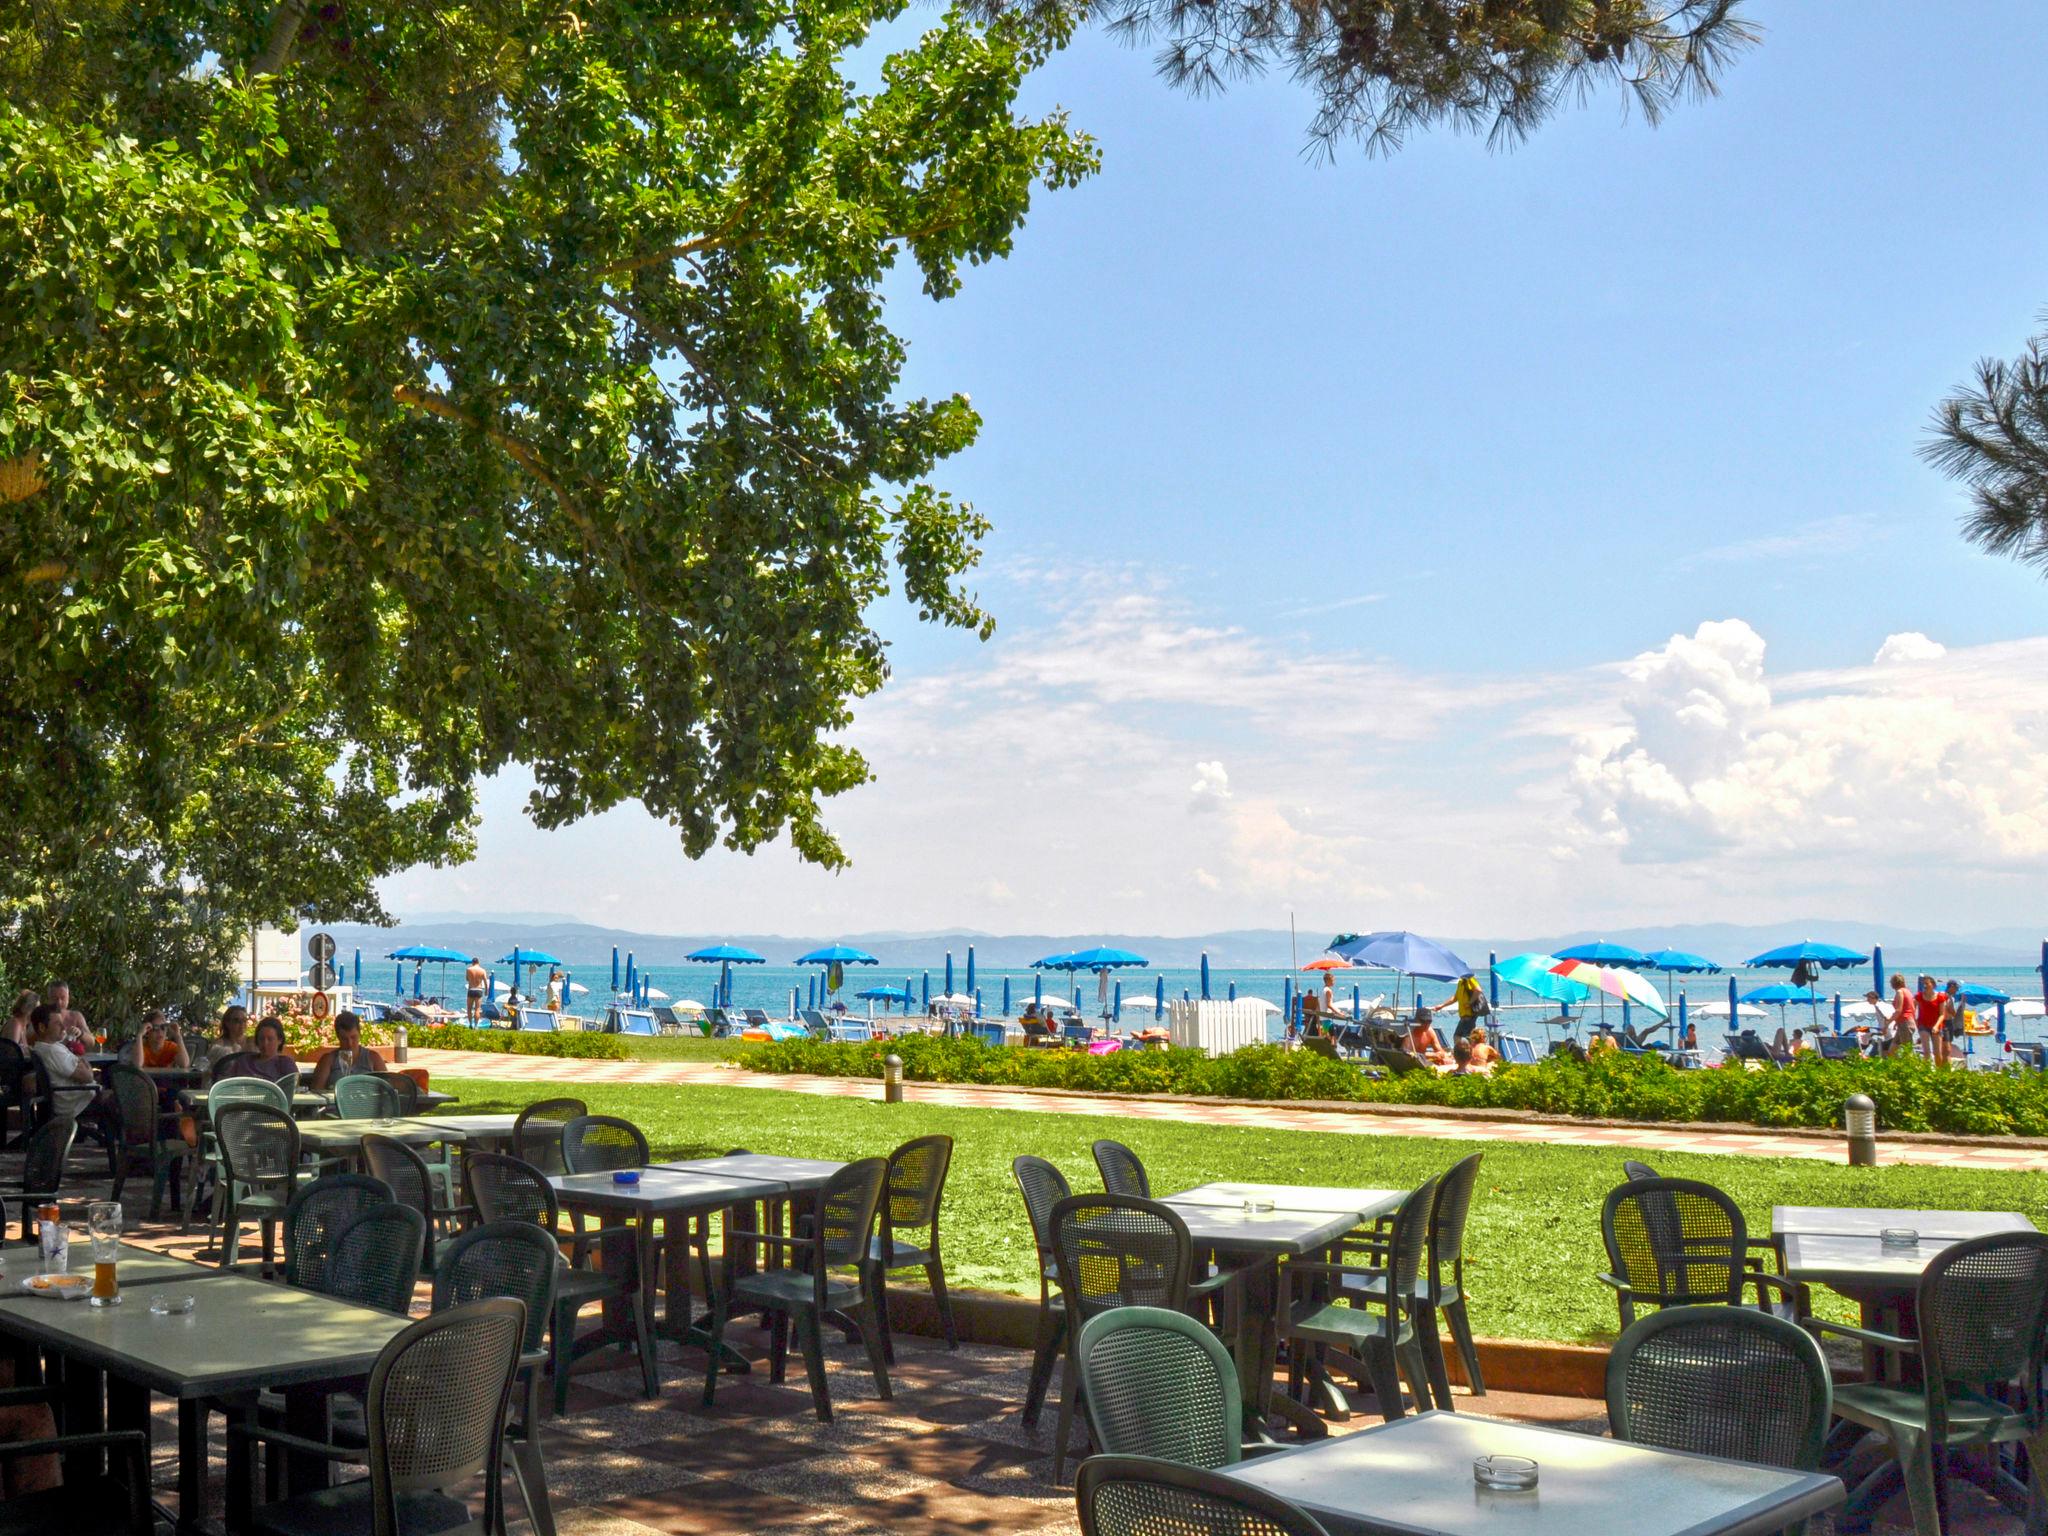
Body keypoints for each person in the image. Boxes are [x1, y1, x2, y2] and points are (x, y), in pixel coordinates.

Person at [28, 1003, 107, 1120]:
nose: (63, 1027)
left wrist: (82, 1064)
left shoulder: (43, 1047)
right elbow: (87, 1077)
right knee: (119, 1097)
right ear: (42, 1027)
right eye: (57, 1024)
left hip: (75, 1097)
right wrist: (84, 1065)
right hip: (77, 1102)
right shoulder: (53, 1051)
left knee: (110, 1080)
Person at [309, 1011, 385, 1091]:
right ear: (338, 1037)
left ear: (359, 1034)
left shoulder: (373, 1058)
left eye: (353, 1037)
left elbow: (387, 1089)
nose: (350, 1043)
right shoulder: (329, 1060)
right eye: (344, 1039)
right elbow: (316, 1090)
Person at [120, 1011, 190, 1071]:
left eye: (163, 1027)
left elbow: (184, 1064)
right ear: (147, 1031)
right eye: (155, 1028)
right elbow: (137, 1064)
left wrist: (178, 1036)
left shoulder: (170, 1047)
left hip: (166, 1084)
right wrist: (140, 1035)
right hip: (146, 1084)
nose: (160, 1032)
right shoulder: (141, 1047)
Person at [239, 1017, 299, 1084]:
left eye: (270, 1039)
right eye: (261, 1039)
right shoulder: (244, 1062)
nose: (265, 1043)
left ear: (280, 1040)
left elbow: (292, 1089)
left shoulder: (286, 1064)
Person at [204, 1006, 252, 1076]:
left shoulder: (252, 1042)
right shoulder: (218, 1045)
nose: (242, 1024)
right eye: (237, 1021)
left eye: (244, 1020)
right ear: (227, 1023)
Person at [1913, 975, 1950, 1064]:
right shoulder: (1919, 996)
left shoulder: (1940, 997)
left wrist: (1936, 1026)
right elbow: (1912, 1009)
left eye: (1927, 983)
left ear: (1932, 984)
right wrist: (1915, 1021)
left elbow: (1942, 1015)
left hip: (1936, 1026)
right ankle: (1927, 1072)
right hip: (1923, 1025)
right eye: (1923, 984)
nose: (1925, 986)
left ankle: (1939, 1073)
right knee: (1926, 1052)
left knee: (1937, 1052)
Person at [1443, 974, 1490, 1040]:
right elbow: (1455, 998)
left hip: (1469, 1015)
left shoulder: (1469, 979)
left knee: (1460, 1036)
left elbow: (1478, 990)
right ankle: (1471, 1049)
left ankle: (1467, 1050)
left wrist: (1470, 1003)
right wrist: (1441, 1006)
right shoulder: (1461, 982)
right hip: (1464, 1016)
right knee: (1468, 1038)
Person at [464, 958, 487, 1024]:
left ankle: (470, 1024)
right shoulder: (482, 970)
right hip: (479, 990)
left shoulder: (469, 969)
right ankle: (476, 1025)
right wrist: (486, 991)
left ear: (472, 963)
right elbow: (485, 982)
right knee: (477, 1009)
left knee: (469, 1009)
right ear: (478, 962)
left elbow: (467, 979)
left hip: (471, 989)